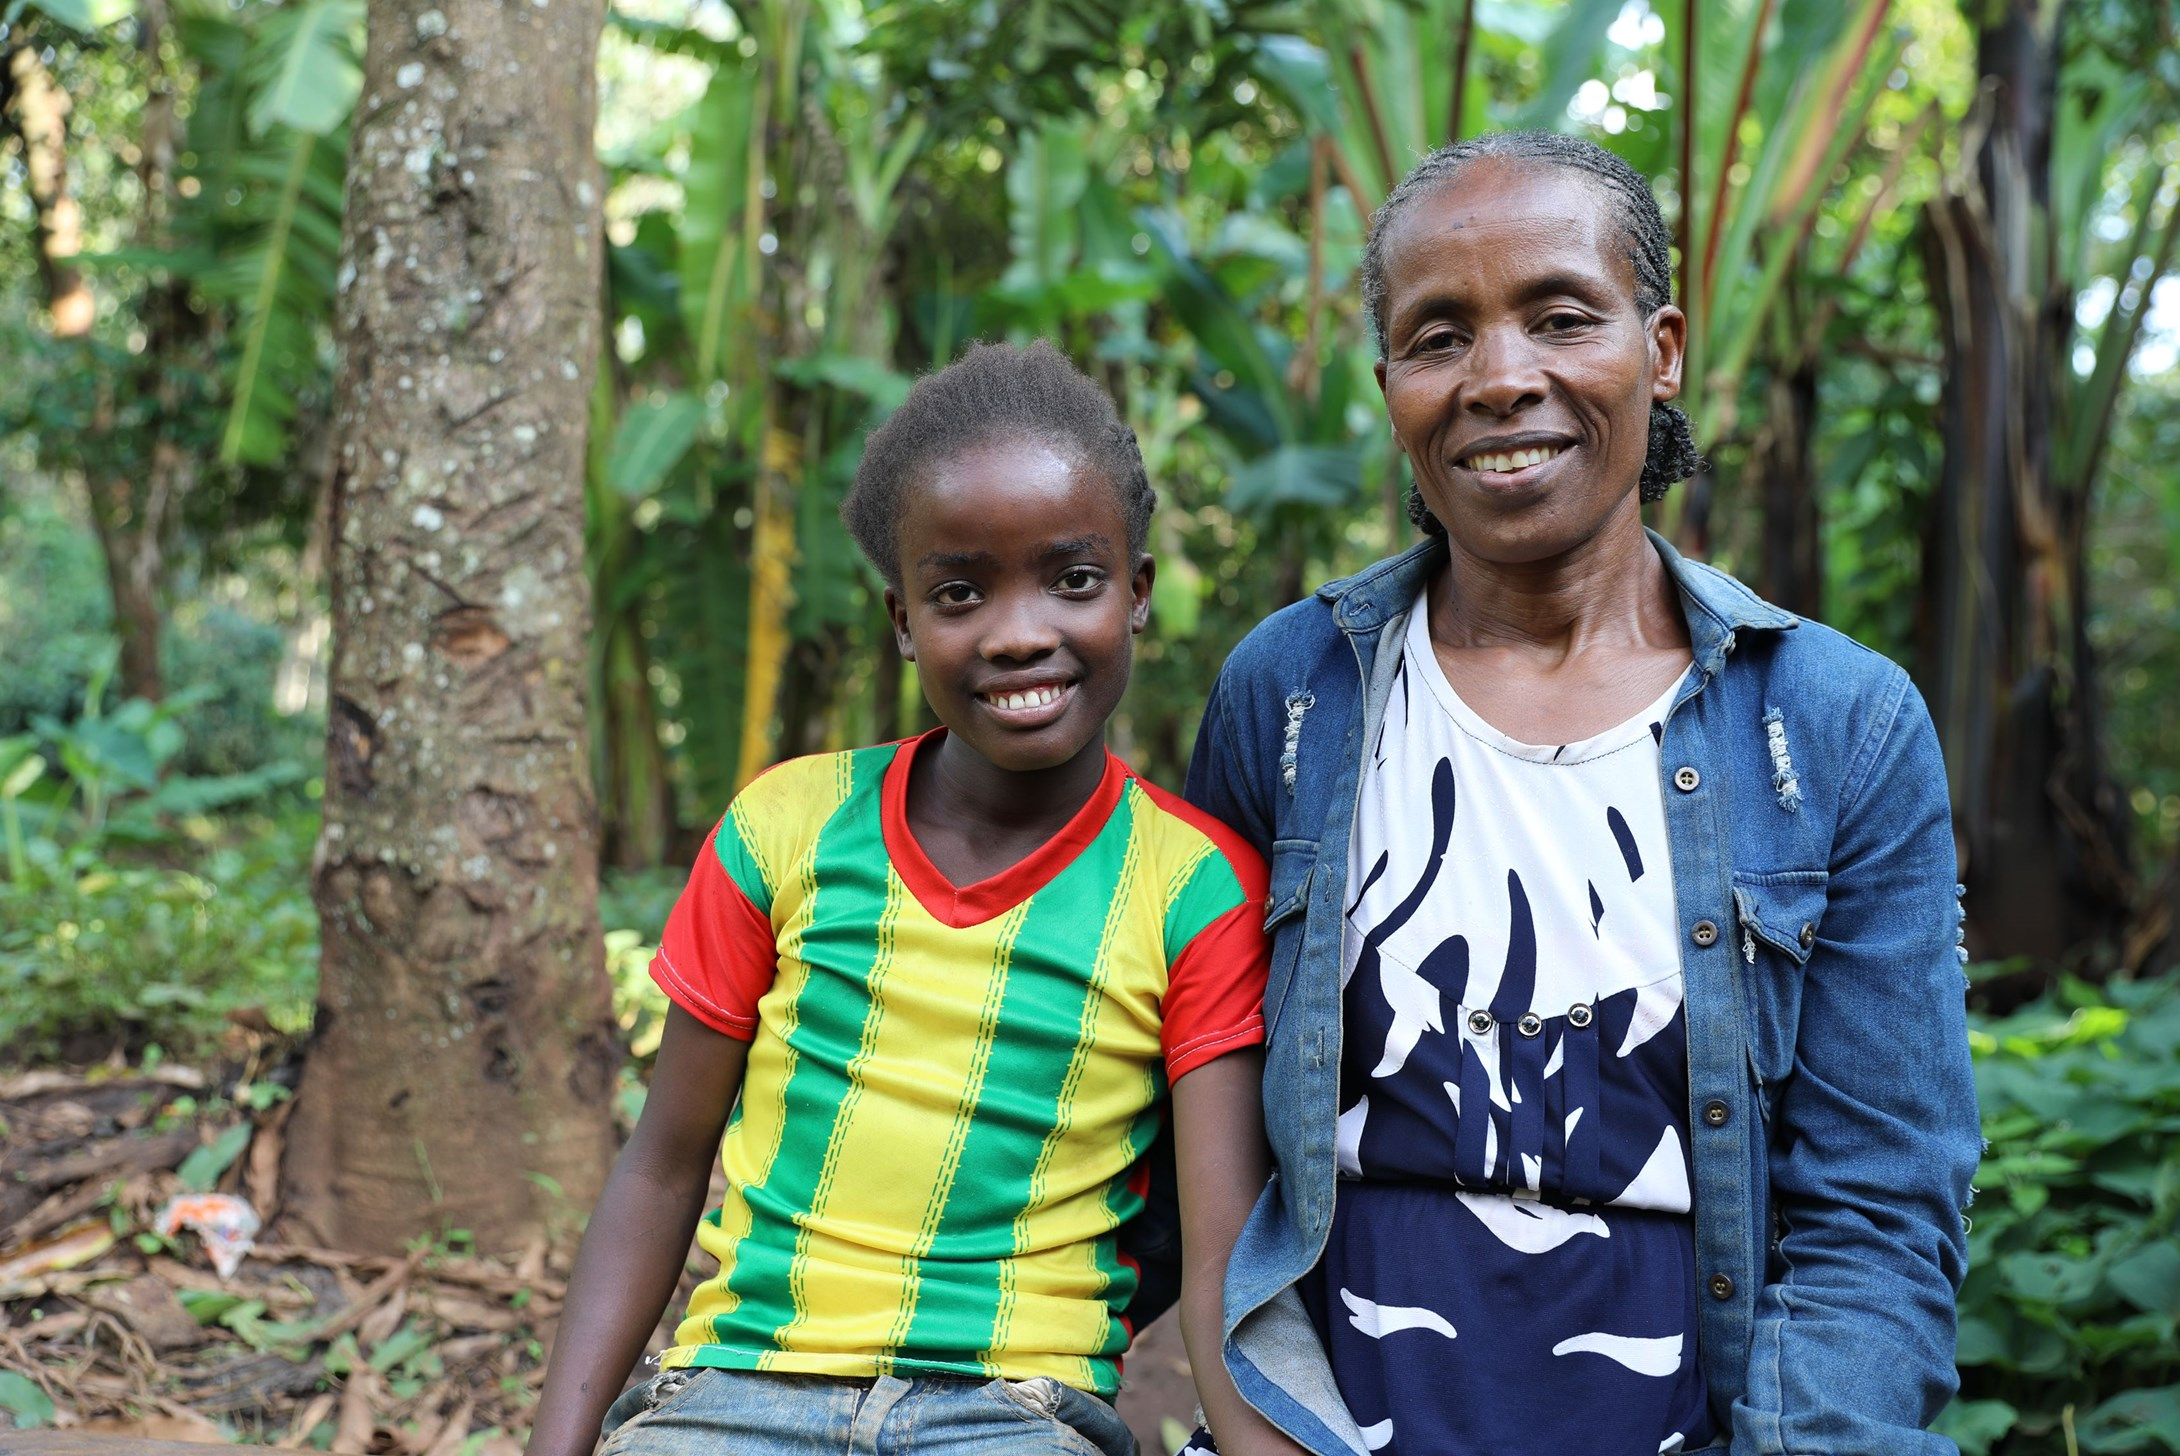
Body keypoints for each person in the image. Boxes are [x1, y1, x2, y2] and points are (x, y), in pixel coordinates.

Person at [1180, 133, 1981, 1456]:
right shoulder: (1294, 694)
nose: (1503, 379)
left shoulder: (1836, 724)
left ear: (1659, 347)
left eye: (1560, 317)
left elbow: (1879, 1215)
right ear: (1389, 386)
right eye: (1439, 338)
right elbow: (1207, 1121)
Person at [526, 341, 1308, 1456]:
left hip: (1011, 1410)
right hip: (735, 1391)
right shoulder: (782, 829)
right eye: (958, 593)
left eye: (1071, 580)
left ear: (1135, 594)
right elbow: (659, 1168)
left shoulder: (1192, 889)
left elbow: (1224, 1247)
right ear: (902, 621)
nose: (1018, 632)